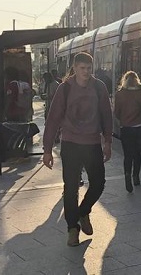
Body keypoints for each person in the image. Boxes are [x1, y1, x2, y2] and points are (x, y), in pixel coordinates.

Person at [42, 52, 113, 247]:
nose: (86, 72)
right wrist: (47, 149)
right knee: (71, 187)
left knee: (98, 183)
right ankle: (72, 228)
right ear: (74, 68)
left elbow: (107, 115)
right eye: (82, 68)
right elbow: (53, 119)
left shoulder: (99, 87)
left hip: (92, 143)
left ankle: (83, 211)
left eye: (89, 69)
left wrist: (108, 141)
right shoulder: (65, 89)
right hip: (71, 143)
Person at [114, 71, 141, 193]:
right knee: (137, 154)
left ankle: (127, 175)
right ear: (137, 80)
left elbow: (116, 113)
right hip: (139, 128)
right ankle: (136, 177)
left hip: (125, 128)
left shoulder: (120, 94)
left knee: (127, 155)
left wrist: (124, 120)